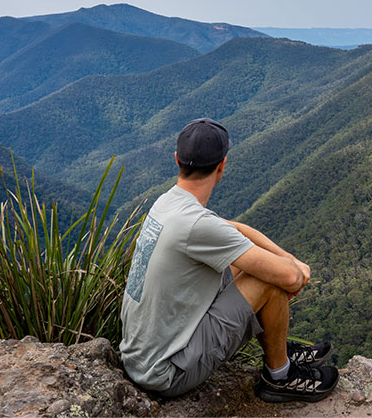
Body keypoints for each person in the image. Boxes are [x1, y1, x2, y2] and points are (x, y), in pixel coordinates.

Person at [120, 118, 338, 403]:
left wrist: (289, 258)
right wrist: (295, 269)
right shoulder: (196, 224)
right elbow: (290, 278)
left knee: (239, 264)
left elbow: (233, 229)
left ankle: (278, 347)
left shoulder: (168, 204)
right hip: (167, 373)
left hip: (140, 356)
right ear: (222, 165)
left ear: (177, 160)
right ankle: (279, 376)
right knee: (268, 281)